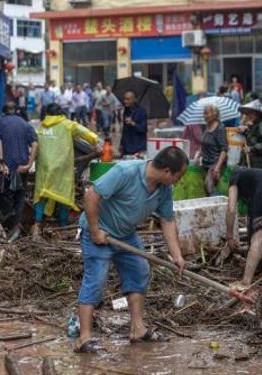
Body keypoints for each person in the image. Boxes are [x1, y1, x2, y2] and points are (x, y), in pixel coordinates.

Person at [74, 147, 188, 353]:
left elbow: (167, 220)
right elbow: (91, 195)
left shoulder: (164, 189)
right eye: (178, 176)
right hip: (99, 233)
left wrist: (177, 255)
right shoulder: (126, 172)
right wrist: (95, 230)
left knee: (139, 272)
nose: (179, 181)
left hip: (125, 235)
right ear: (167, 171)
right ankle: (84, 338)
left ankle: (137, 329)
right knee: (96, 280)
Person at [32, 103, 99, 238]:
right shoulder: (67, 124)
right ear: (61, 114)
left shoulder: (40, 127)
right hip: (62, 166)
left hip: (44, 167)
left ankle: (37, 223)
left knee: (42, 194)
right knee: (63, 193)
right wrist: (95, 142)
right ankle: (62, 225)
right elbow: (87, 134)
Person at [0, 102, 38, 241]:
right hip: (22, 167)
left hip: (7, 167)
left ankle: (9, 228)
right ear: (15, 111)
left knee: (3, 196)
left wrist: (1, 163)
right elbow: (35, 144)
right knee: (19, 197)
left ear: (3, 111)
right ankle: (15, 228)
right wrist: (29, 164)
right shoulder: (25, 124)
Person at [199, 105, 228, 195]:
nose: (204, 116)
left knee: (209, 188)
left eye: (207, 113)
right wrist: (198, 155)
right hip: (205, 163)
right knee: (207, 189)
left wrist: (217, 167)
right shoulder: (206, 127)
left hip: (215, 163)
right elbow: (204, 143)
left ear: (214, 114)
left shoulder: (220, 128)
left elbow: (224, 149)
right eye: (204, 113)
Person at [238, 99, 262, 169]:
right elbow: (253, 136)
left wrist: (251, 149)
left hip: (261, 163)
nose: (248, 115)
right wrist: (245, 132)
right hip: (254, 162)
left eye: (251, 113)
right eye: (248, 113)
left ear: (257, 114)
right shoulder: (255, 124)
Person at [121, 90, 148, 158]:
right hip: (126, 147)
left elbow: (143, 128)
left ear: (134, 99)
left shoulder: (141, 111)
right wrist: (122, 144)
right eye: (124, 99)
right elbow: (125, 130)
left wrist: (132, 123)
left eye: (128, 99)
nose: (125, 101)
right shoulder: (126, 111)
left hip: (137, 147)